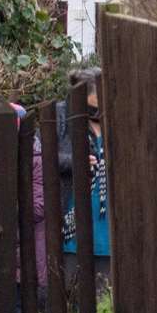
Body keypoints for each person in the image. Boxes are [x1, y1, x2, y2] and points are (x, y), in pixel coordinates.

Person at [54, 68, 109, 290]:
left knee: (106, 299)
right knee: (70, 297)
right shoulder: (62, 116)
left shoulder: (113, 118)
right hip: (72, 223)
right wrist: (75, 162)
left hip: (107, 230)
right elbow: (45, 157)